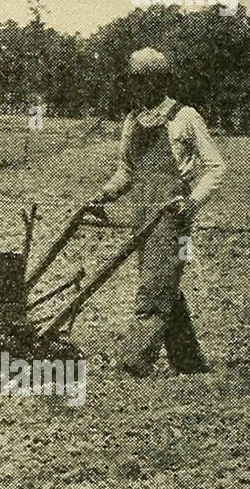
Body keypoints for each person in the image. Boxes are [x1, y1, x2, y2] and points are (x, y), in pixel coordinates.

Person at [93, 48, 225, 375]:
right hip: (142, 215)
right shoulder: (132, 120)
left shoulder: (185, 117)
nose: (135, 87)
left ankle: (133, 362)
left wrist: (192, 201)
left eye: (141, 80)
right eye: (132, 81)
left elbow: (216, 167)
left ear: (159, 81)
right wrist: (104, 195)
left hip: (173, 216)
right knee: (162, 282)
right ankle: (190, 363)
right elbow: (126, 171)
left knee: (155, 285)